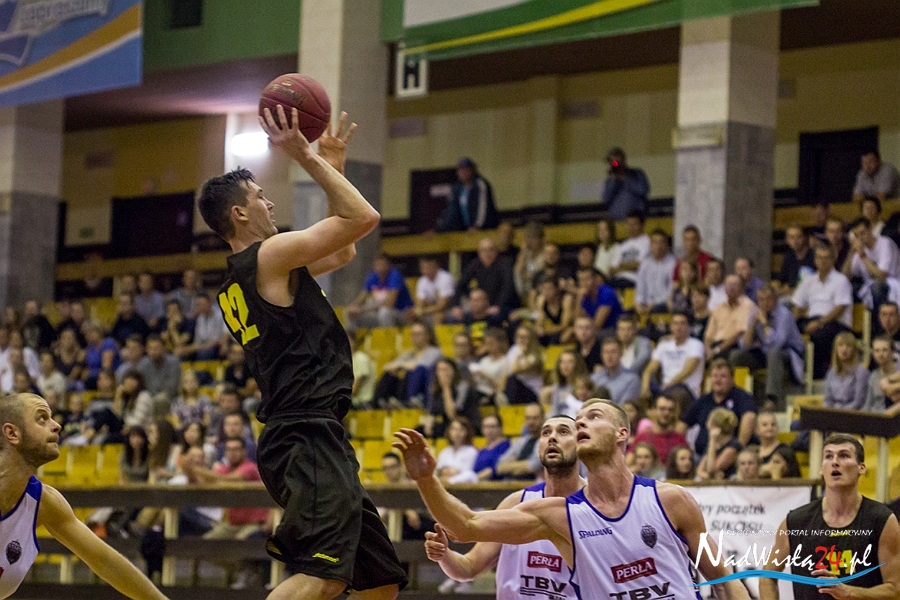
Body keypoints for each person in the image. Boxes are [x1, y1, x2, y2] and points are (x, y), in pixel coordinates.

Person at [196, 108, 406, 598]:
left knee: (380, 582)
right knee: (323, 574)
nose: (270, 203)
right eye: (260, 196)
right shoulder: (268, 257)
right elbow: (364, 219)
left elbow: (343, 250)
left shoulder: (253, 272)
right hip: (303, 432)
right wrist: (306, 157)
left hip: (310, 432)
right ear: (240, 214)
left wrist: (334, 166)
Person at [393, 398, 750, 600]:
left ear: (622, 433)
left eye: (592, 417)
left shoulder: (671, 499)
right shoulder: (558, 515)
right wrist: (426, 479)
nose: (581, 424)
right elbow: (466, 525)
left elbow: (723, 579)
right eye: (576, 421)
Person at [0, 393, 168, 599]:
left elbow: (105, 561)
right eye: (41, 418)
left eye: (52, 417)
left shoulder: (44, 502)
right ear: (12, 433)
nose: (57, 426)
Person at [424, 415, 585, 599]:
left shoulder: (596, 506)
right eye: (546, 433)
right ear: (538, 448)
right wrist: (444, 555)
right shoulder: (515, 503)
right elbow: (468, 567)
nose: (552, 437)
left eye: (563, 431)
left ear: (581, 444)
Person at [759, 434, 900, 600]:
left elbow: (895, 589)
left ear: (861, 468)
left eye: (844, 455)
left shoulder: (881, 520)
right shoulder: (796, 522)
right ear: (821, 469)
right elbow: (767, 577)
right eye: (828, 456)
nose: (835, 462)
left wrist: (849, 593)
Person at [732, 283, 805, 408]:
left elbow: (778, 343)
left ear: (775, 299)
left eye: (768, 299)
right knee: (736, 356)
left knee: (773, 354)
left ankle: (772, 399)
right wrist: (753, 323)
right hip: (765, 353)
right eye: (761, 299)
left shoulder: (784, 315)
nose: (764, 303)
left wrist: (765, 323)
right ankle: (740, 398)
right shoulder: (756, 313)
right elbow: (744, 345)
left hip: (788, 354)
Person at [793, 244, 853, 379]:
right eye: (819, 258)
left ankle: (817, 375)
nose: (822, 261)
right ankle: (796, 376)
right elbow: (798, 305)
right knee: (788, 334)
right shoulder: (809, 280)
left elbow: (840, 308)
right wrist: (792, 325)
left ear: (833, 260)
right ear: (815, 260)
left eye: (826, 258)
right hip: (812, 320)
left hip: (835, 323)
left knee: (821, 334)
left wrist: (819, 322)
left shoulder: (841, 280)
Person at [641, 310, 705, 400]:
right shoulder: (664, 344)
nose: (678, 327)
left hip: (686, 390)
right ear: (671, 326)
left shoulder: (696, 344)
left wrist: (668, 385)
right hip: (665, 389)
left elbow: (687, 371)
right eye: (675, 323)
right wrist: (645, 387)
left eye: (682, 324)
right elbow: (649, 369)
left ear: (688, 327)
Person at [345, 254, 414, 328]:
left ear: (388, 265)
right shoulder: (372, 277)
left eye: (382, 265)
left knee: (384, 312)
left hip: (401, 314)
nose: (380, 268)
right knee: (350, 312)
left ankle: (387, 334)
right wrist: (353, 307)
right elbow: (361, 297)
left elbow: (389, 304)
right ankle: (351, 334)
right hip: (379, 313)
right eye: (377, 265)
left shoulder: (395, 276)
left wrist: (362, 309)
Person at [436, 157, 499, 232]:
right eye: (461, 170)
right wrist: (439, 229)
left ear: (473, 170)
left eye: (466, 169)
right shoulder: (457, 188)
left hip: (483, 229)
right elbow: (451, 211)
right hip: (465, 230)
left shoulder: (480, 184)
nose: (463, 172)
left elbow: (483, 207)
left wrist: (477, 226)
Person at [630, 393, 688, 466]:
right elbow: (628, 463)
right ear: (654, 411)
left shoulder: (680, 440)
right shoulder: (642, 437)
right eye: (662, 409)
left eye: (670, 410)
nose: (666, 413)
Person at [635, 228, 676, 319]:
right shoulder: (645, 263)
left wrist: (653, 304)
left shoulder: (673, 264)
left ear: (667, 245)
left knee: (657, 309)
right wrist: (638, 304)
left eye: (662, 242)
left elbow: (671, 292)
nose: (658, 246)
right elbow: (640, 288)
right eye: (655, 242)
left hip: (663, 304)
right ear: (650, 245)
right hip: (647, 304)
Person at [823, 331, 868, 411]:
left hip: (851, 413)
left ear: (854, 350)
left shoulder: (861, 372)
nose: (844, 349)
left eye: (848, 346)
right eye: (840, 345)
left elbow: (858, 402)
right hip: (832, 413)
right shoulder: (831, 372)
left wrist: (839, 412)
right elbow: (827, 400)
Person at [601, 147, 649, 220]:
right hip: (617, 219)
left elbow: (643, 190)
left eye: (618, 162)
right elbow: (605, 199)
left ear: (624, 160)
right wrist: (613, 181)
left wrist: (626, 179)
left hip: (635, 218)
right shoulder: (611, 179)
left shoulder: (636, 173)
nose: (616, 164)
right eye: (613, 162)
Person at [412, 256, 455, 325]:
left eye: (428, 267)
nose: (426, 270)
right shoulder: (422, 281)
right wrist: (417, 311)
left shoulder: (445, 278)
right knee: (412, 316)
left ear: (436, 266)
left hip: (452, 307)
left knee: (438, 315)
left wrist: (422, 311)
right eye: (423, 268)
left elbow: (442, 305)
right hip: (433, 308)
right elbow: (420, 302)